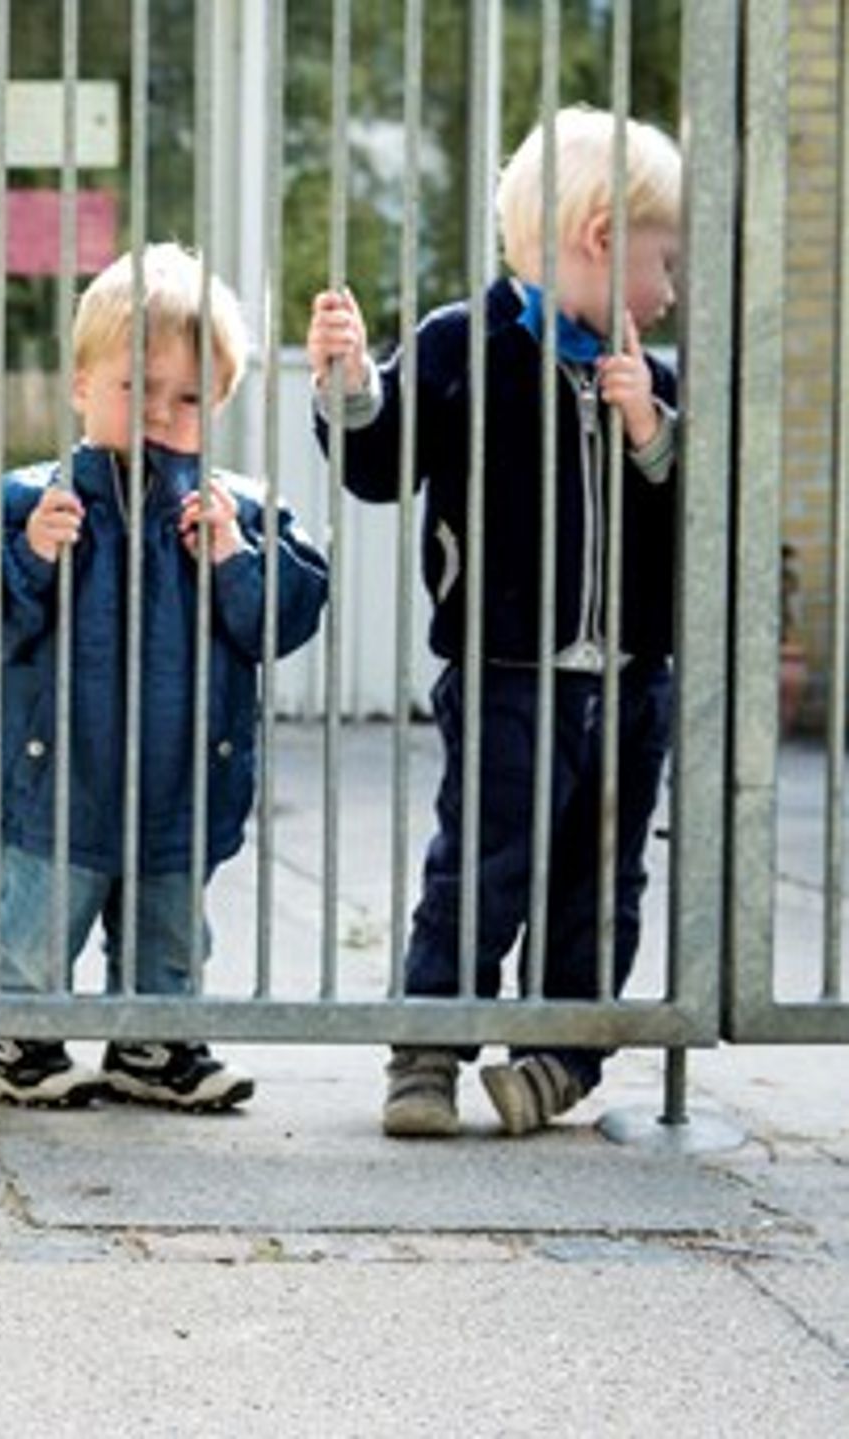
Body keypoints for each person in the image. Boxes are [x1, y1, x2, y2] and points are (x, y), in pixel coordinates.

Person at [307, 105, 682, 1139]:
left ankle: (558, 1057)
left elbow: (696, 520)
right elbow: (381, 467)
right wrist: (348, 390)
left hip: (628, 679)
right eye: (663, 259)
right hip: (506, 666)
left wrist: (648, 429)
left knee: (599, 875)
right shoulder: (457, 343)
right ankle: (427, 1051)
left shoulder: (651, 376)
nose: (669, 288)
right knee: (482, 857)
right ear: (601, 239)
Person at [0, 244, 329, 1113]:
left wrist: (235, 558)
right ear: (81, 385)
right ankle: (7, 1028)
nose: (160, 412)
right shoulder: (26, 501)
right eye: (136, 388)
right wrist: (31, 555)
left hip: (185, 770)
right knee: (38, 912)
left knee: (170, 919)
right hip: (60, 766)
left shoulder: (240, 512)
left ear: (219, 402)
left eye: (188, 397)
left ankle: (155, 1038)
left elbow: (288, 618)